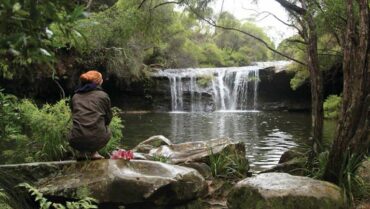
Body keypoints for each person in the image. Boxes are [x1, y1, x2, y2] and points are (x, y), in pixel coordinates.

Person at [69, 70, 112, 160]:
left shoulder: (75, 96)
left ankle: (81, 153)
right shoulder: (103, 96)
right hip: (97, 139)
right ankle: (94, 153)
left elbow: (74, 115)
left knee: (73, 126)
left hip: (76, 140)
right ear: (99, 82)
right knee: (108, 129)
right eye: (101, 79)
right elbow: (108, 118)